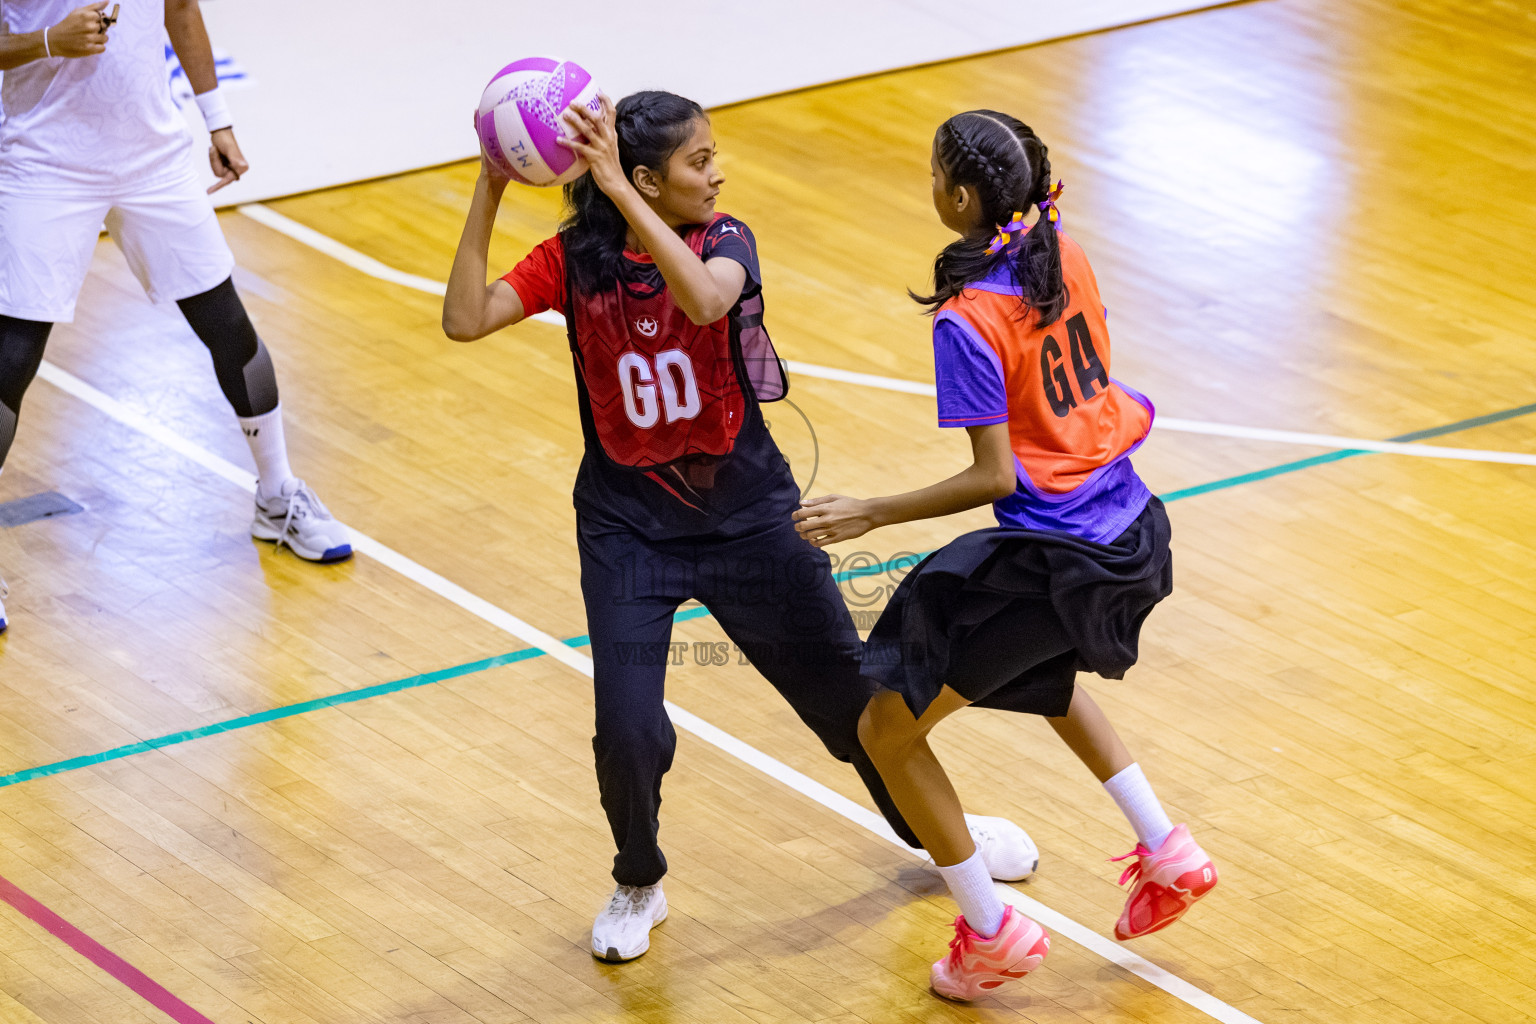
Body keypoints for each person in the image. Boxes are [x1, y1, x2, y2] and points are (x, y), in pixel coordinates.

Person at [443, 90, 1037, 964]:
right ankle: (638, 880)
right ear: (649, 179)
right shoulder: (573, 260)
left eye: (712, 155)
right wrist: (491, 185)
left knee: (851, 709)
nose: (717, 173)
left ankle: (941, 834)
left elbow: (706, 304)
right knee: (627, 730)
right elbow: (464, 320)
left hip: (749, 520)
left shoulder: (725, 239)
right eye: (698, 161)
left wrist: (619, 188)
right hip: (627, 533)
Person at [793, 109, 1218, 1001]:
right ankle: (1167, 850)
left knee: (885, 731)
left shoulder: (967, 320)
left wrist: (871, 511)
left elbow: (994, 475)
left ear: (958, 198)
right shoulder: (1064, 253)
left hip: (1058, 560)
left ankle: (990, 934)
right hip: (1133, 530)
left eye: (932, 174)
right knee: (1045, 678)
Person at [0, 0, 351, 633]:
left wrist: (219, 121)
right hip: (42, 165)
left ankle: (277, 496)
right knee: (10, 359)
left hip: (152, 159)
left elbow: (180, 8)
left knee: (229, 328)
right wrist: (49, 40)